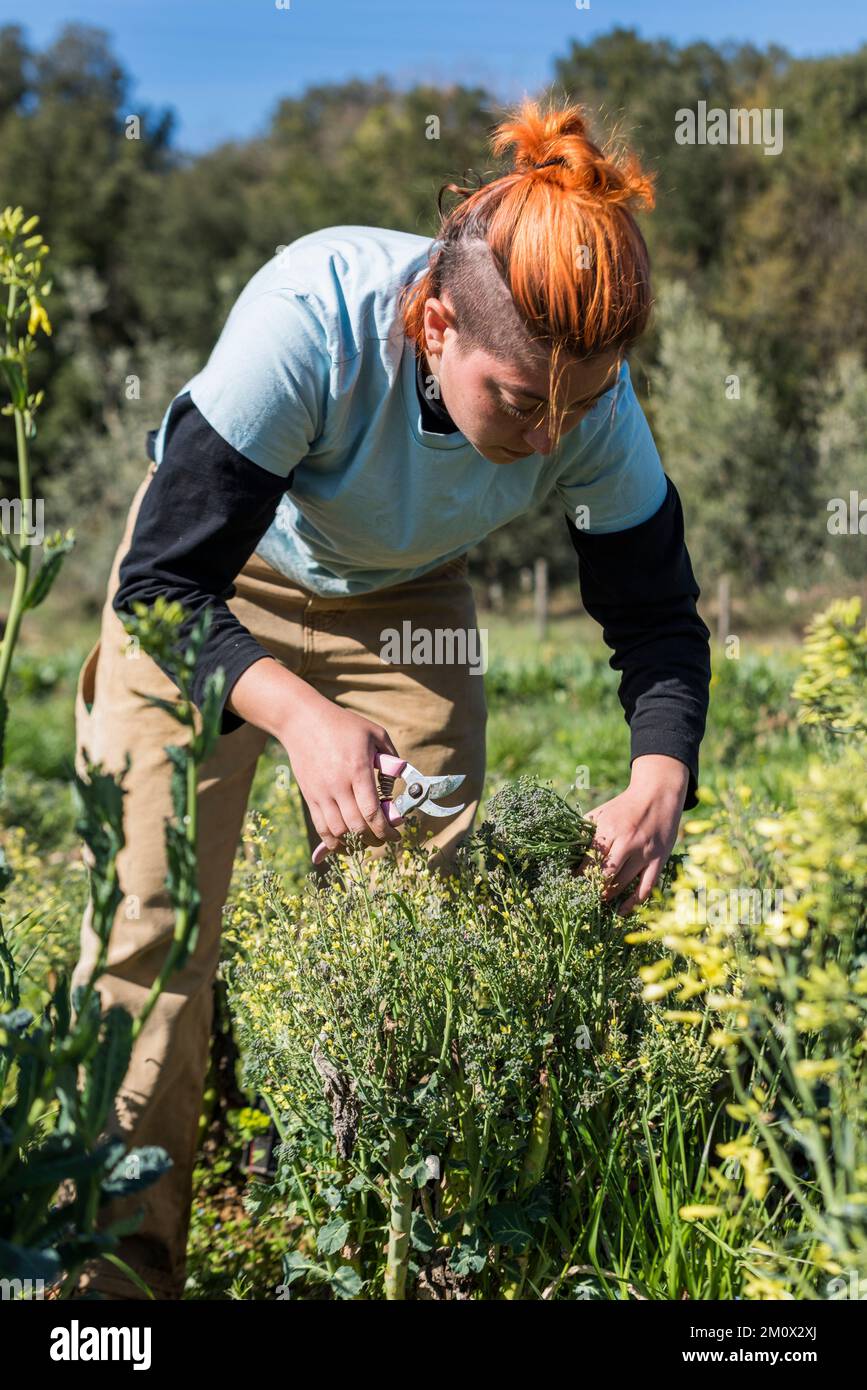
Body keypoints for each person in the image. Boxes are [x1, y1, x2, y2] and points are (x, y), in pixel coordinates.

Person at [71, 98, 711, 1300]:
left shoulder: (586, 406)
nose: (547, 439)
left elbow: (659, 620)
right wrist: (301, 716)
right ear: (431, 322)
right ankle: (116, 1285)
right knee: (151, 926)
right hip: (214, 578)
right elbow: (163, 584)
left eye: (579, 406)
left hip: (400, 598)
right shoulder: (307, 321)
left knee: (406, 923)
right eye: (518, 400)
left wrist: (660, 771)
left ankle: (364, 1245)